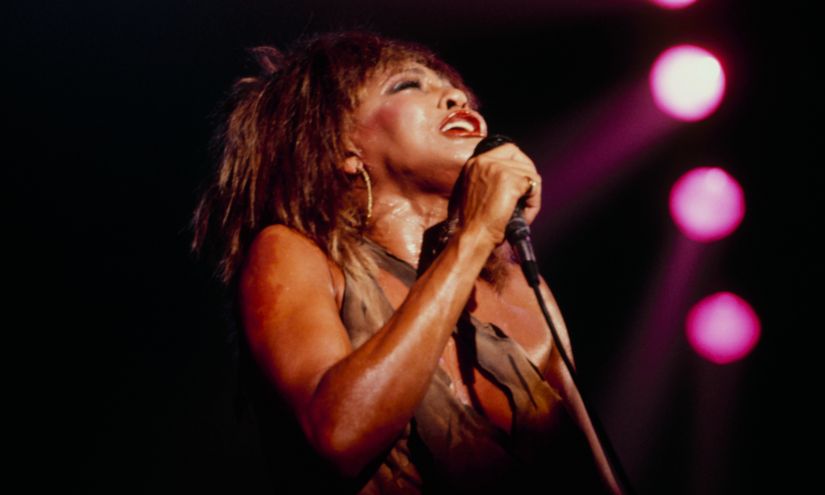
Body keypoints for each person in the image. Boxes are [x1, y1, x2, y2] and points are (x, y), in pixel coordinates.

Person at [193, 31, 620, 494]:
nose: (455, 95)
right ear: (343, 149)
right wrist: (476, 234)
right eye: (408, 85)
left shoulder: (516, 288)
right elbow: (339, 434)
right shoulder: (292, 254)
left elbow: (596, 471)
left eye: (454, 89)